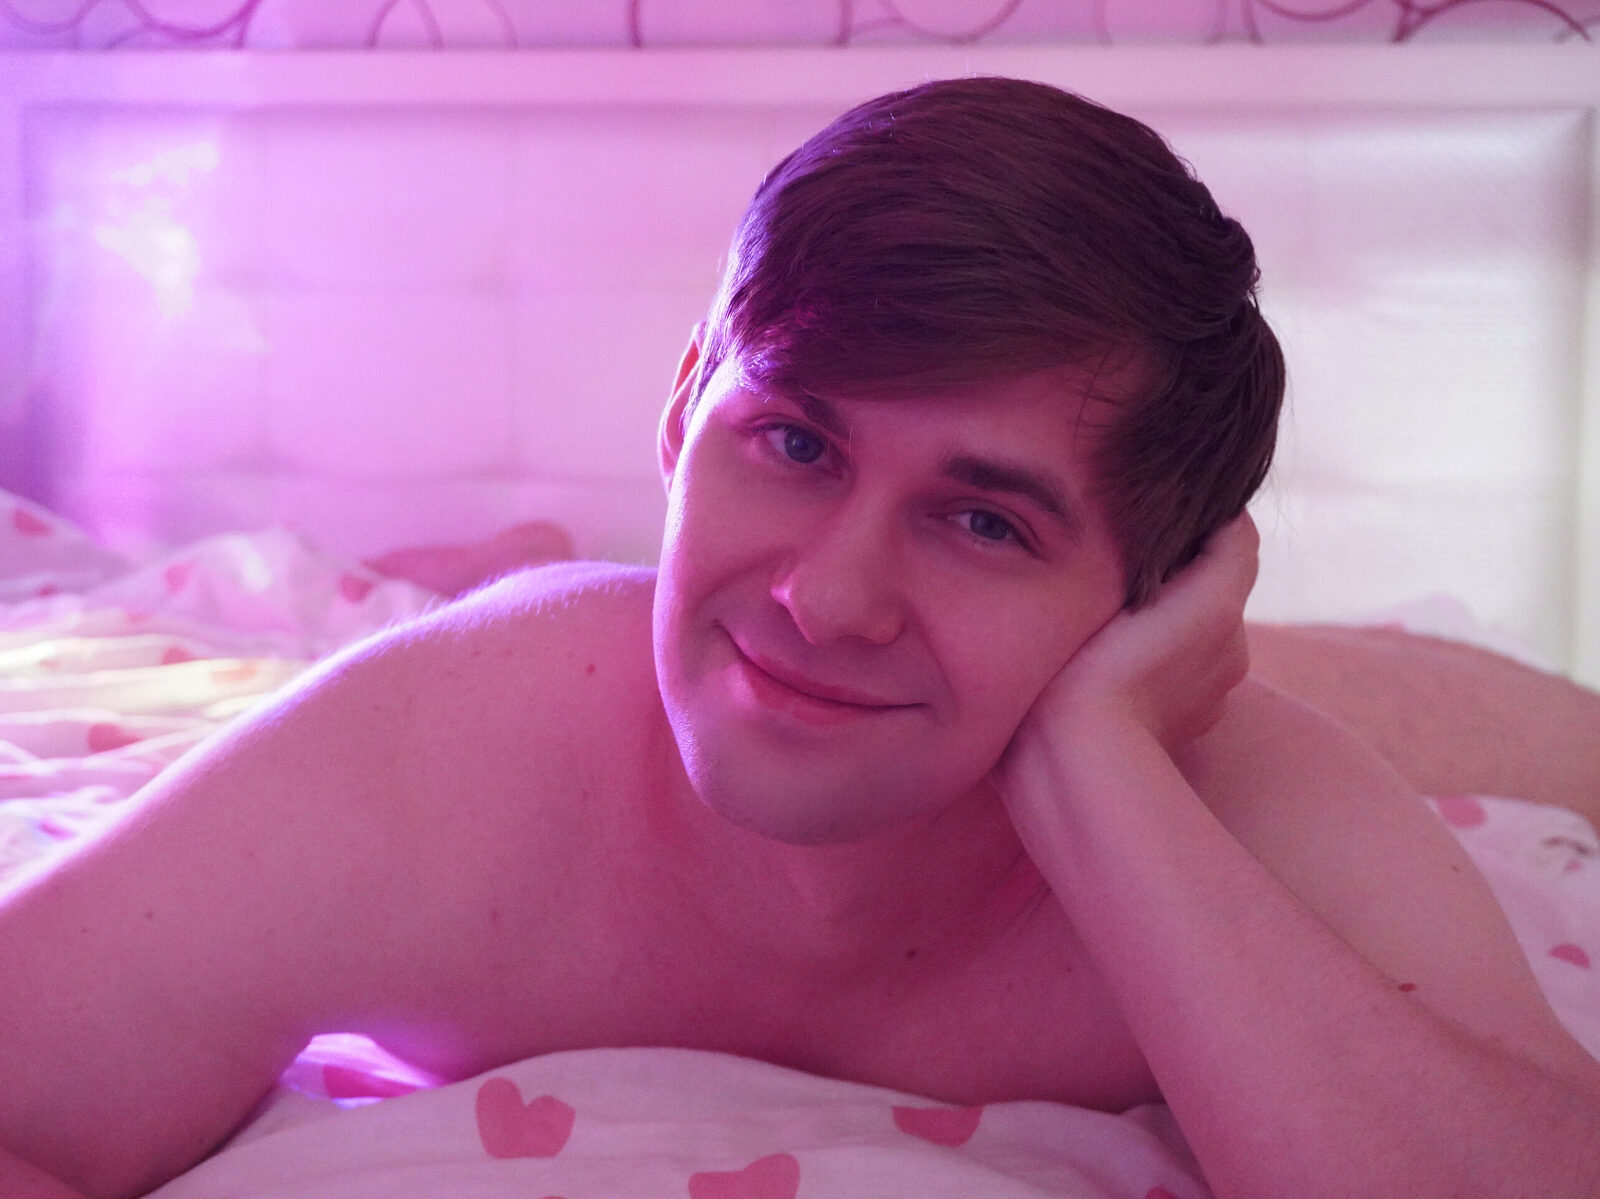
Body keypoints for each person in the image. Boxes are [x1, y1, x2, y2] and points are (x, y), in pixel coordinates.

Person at [4, 76, 1598, 1199]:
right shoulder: (438, 748)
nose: (829, 599)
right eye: (793, 442)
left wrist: (1102, 777)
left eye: (985, 522)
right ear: (682, 409)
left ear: (1153, 594)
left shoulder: (1249, 809)